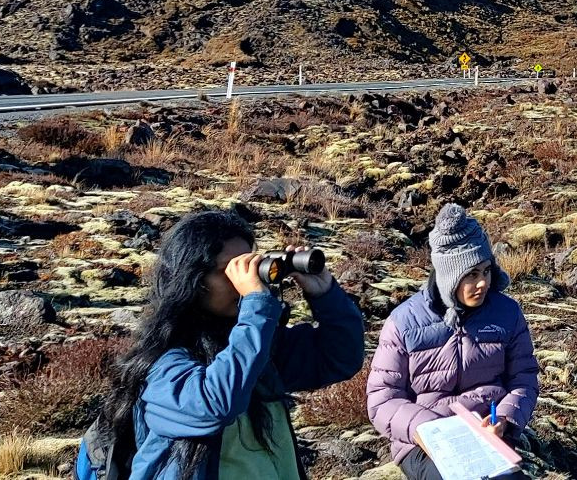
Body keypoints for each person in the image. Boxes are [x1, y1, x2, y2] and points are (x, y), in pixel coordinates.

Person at [97, 209, 365, 480]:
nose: (243, 283)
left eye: (249, 267)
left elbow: (338, 357)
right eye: (230, 271)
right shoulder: (163, 365)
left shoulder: (259, 350)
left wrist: (324, 293)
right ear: (193, 281)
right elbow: (215, 405)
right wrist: (256, 307)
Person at [368, 203, 541, 480]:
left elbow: (524, 378)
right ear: (449, 276)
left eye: (486, 270)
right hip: (423, 445)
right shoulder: (403, 322)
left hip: (487, 437)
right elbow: (382, 399)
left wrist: (505, 419)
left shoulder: (507, 313)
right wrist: (423, 430)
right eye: (471, 274)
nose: (483, 282)